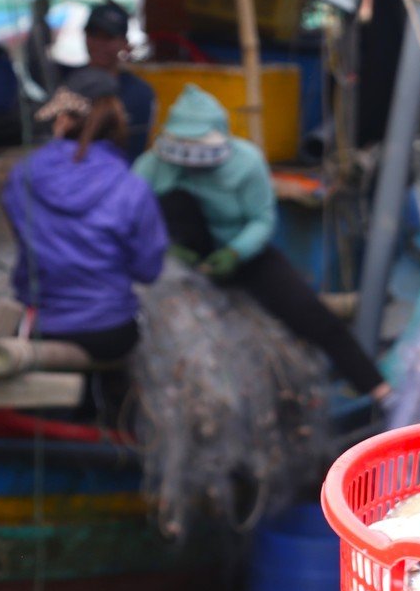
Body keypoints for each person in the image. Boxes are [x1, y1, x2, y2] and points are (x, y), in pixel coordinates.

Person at [134, 84, 389, 401]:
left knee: (310, 314)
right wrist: (166, 249)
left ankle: (378, 389)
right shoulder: (152, 166)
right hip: (179, 259)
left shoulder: (247, 162)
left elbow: (263, 220)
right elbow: (134, 215)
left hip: (242, 254)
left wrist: (234, 252)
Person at [3, 67, 168, 422]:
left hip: (42, 324)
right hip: (109, 331)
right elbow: (148, 270)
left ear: (63, 119)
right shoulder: (131, 186)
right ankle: (115, 438)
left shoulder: (24, 173)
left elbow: (26, 242)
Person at [78, 2, 157, 159]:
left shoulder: (141, 94)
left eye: (108, 37)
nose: (99, 44)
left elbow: (137, 151)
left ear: (124, 43)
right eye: (94, 34)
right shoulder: (67, 84)